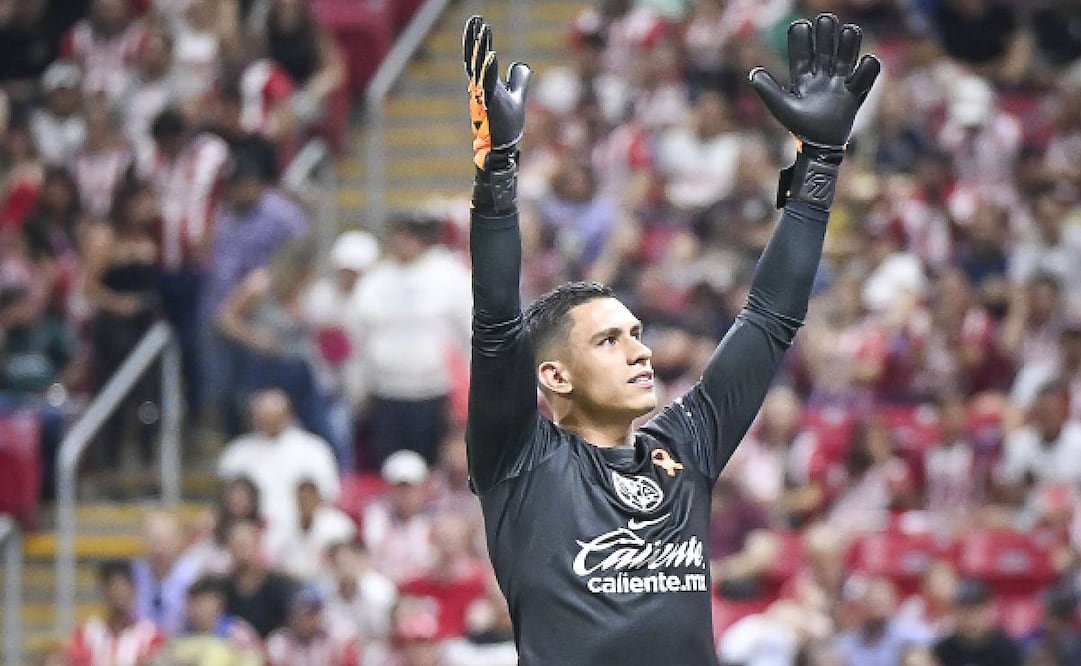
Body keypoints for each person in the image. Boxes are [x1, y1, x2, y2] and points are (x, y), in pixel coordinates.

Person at [460, 13, 879, 665]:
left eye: (636, 334)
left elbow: (769, 319)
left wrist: (819, 165)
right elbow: (495, 328)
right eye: (608, 341)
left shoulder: (686, 446)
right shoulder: (519, 460)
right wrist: (498, 178)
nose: (640, 350)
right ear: (554, 378)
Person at [67, 559, 166, 666]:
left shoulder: (150, 636)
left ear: (134, 590)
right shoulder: (88, 634)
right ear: (104, 591)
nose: (120, 594)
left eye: (124, 587)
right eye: (115, 587)